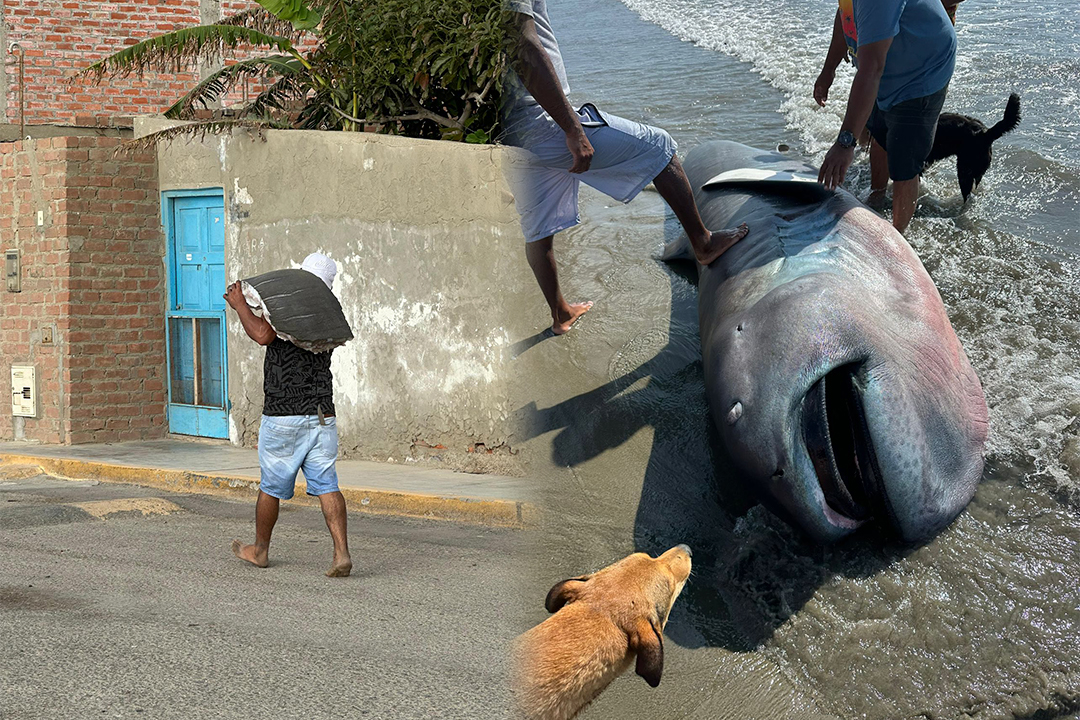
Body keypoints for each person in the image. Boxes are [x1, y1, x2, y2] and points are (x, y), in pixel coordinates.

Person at [502, 0, 748, 335]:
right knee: (659, 147)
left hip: (509, 129)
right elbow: (523, 45)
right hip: (543, 121)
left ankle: (560, 314)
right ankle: (703, 243)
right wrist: (573, 128)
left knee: (539, 226)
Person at [225, 252, 352, 578]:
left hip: (285, 414)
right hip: (322, 414)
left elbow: (264, 335)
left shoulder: (290, 308)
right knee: (327, 484)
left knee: (271, 486)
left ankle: (261, 550)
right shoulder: (329, 313)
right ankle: (341, 553)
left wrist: (241, 306)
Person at [815, 0, 957, 233]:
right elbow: (845, 14)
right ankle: (877, 195)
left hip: (923, 72)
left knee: (904, 162)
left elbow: (871, 69)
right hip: (887, 64)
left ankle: (897, 236)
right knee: (880, 133)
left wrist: (845, 142)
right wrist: (828, 69)